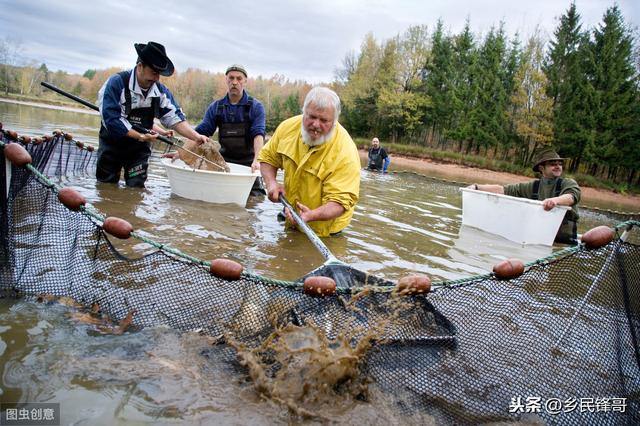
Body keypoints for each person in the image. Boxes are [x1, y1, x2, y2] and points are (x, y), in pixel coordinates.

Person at [97, 41, 208, 187]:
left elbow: (175, 118)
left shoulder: (160, 92)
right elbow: (111, 120)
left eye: (159, 74)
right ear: (140, 66)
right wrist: (140, 136)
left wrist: (196, 136)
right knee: (106, 187)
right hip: (112, 144)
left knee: (136, 188)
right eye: (154, 72)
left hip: (138, 150)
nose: (156, 78)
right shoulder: (116, 83)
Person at [258, 87, 361, 237]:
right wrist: (271, 183)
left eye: (324, 120)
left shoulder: (346, 152)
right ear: (303, 111)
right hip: (291, 216)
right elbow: (267, 158)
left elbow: (340, 203)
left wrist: (310, 216)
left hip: (327, 231)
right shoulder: (287, 128)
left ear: (334, 121)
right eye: (311, 117)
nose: (316, 125)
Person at [468, 147, 581, 245]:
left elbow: (571, 197)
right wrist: (477, 187)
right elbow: (503, 189)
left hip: (564, 244)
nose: (557, 166)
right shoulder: (532, 186)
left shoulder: (568, 183)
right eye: (553, 164)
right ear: (541, 168)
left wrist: (554, 201)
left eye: (560, 164)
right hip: (541, 242)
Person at [195, 64, 266, 173]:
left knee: (257, 191)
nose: (234, 82)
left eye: (239, 78)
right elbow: (200, 133)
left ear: (245, 81)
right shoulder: (216, 107)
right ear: (226, 80)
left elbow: (258, 135)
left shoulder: (256, 107)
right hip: (222, 163)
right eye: (231, 78)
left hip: (249, 165)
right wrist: (181, 152)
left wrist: (257, 160)